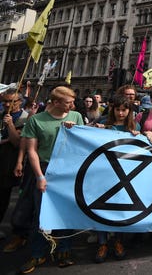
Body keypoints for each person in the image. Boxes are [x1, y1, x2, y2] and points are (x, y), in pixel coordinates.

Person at [19, 86, 84, 274]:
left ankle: (64, 250)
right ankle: (37, 252)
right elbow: (32, 150)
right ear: (55, 102)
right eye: (68, 102)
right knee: (41, 213)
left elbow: (84, 141)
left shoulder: (76, 116)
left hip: (68, 170)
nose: (72, 105)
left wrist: (75, 130)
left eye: (73, 101)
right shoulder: (36, 121)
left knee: (66, 212)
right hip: (45, 169)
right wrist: (39, 176)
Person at [95, 95, 137, 262]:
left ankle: (118, 240)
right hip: (105, 173)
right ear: (112, 109)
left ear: (129, 111)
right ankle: (102, 242)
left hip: (126, 174)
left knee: (121, 208)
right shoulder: (104, 124)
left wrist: (144, 133)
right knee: (101, 207)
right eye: (118, 109)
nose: (121, 113)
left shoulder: (134, 126)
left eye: (124, 110)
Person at [0, 89, 28, 251]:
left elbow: (17, 142)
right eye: (5, 101)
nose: (8, 105)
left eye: (11, 101)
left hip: (9, 162)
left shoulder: (24, 118)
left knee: (3, 195)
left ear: (19, 102)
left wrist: (10, 124)